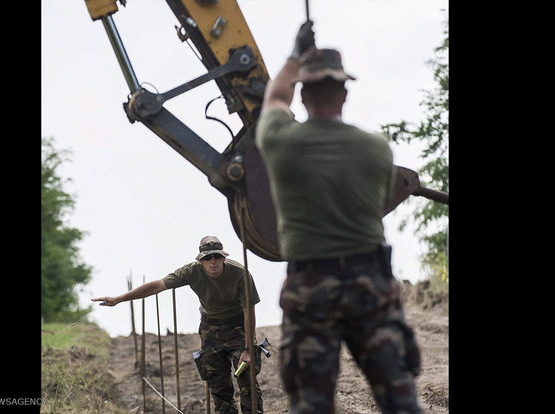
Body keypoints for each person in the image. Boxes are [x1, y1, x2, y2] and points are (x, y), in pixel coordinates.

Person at [254, 21, 423, 414]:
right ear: (344, 93)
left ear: (305, 93)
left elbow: (275, 98)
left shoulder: (280, 142)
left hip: (310, 286)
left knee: (311, 404)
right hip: (372, 284)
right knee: (400, 399)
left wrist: (294, 57)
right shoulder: (376, 150)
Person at [91, 236, 264, 414]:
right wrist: (119, 299)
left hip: (238, 327)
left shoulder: (240, 274)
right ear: (200, 261)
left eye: (216, 257)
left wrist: (248, 348)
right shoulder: (191, 272)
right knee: (218, 386)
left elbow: (248, 311)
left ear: (223, 258)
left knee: (247, 380)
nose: (212, 262)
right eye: (207, 258)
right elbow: (157, 286)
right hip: (210, 329)